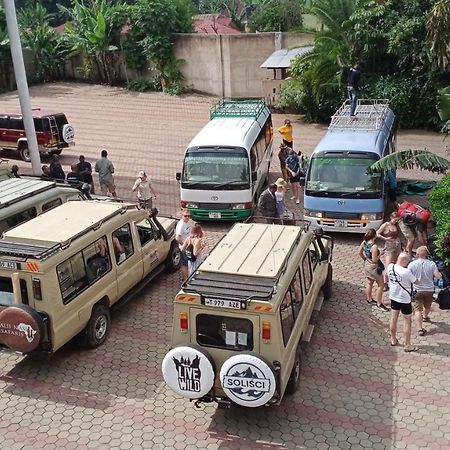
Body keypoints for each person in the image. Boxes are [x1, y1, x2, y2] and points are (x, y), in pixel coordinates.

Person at [387, 252, 419, 352]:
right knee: (407, 322)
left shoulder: (390, 267)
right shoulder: (406, 272)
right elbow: (416, 281)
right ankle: (408, 344)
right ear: (405, 261)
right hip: (405, 300)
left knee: (393, 319)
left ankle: (393, 339)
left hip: (393, 297)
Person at [408, 246, 442, 336]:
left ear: (417, 254)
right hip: (429, 290)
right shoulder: (432, 264)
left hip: (417, 290)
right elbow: (438, 276)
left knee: (418, 309)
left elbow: (408, 276)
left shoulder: (412, 264)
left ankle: (420, 328)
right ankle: (425, 316)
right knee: (427, 306)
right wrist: (440, 274)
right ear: (426, 254)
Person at [358, 228, 389, 311]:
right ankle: (379, 303)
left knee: (370, 282)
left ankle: (369, 299)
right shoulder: (374, 246)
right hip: (374, 266)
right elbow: (375, 260)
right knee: (381, 285)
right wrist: (381, 254)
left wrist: (365, 258)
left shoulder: (364, 242)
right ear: (374, 235)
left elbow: (359, 252)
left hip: (367, 264)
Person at [377, 212, 402, 287]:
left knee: (395, 263)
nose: (396, 221)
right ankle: (384, 282)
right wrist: (385, 238)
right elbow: (377, 233)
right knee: (388, 265)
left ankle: (392, 280)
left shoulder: (396, 225)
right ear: (391, 217)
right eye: (395, 220)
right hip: (389, 246)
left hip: (397, 245)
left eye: (397, 220)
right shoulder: (386, 225)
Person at [176, 209, 192, 281]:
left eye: (189, 216)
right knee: (184, 264)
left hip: (188, 247)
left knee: (187, 262)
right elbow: (177, 238)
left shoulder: (187, 223)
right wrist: (184, 245)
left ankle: (186, 277)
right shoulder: (181, 225)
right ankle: (185, 280)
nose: (187, 217)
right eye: (185, 216)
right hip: (183, 248)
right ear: (182, 216)